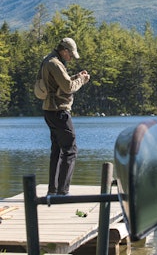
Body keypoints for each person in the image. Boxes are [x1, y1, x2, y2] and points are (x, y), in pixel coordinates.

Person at [41, 37, 90, 196]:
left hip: (49, 111)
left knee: (57, 150)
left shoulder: (48, 60)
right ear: (64, 51)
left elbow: (59, 84)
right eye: (70, 55)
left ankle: (53, 189)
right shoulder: (55, 63)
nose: (71, 58)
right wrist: (81, 80)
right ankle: (63, 191)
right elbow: (68, 87)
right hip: (59, 111)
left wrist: (76, 76)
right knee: (70, 149)